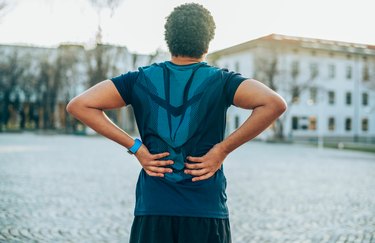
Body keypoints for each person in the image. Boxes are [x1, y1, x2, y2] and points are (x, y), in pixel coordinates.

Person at [66, 3, 286, 243]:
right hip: (205, 206)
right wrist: (222, 150)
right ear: (208, 41)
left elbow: (79, 105)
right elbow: (274, 103)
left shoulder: (140, 79)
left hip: (154, 206)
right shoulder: (221, 81)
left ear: (168, 38)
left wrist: (136, 147)